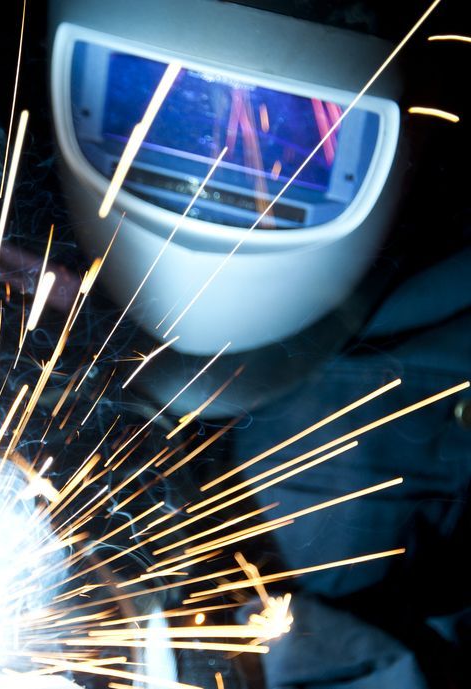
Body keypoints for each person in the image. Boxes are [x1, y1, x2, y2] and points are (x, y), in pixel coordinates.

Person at [47, 0, 470, 686]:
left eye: (285, 142)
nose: (227, 155)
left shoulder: (445, 318)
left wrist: (229, 656)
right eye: (180, 118)